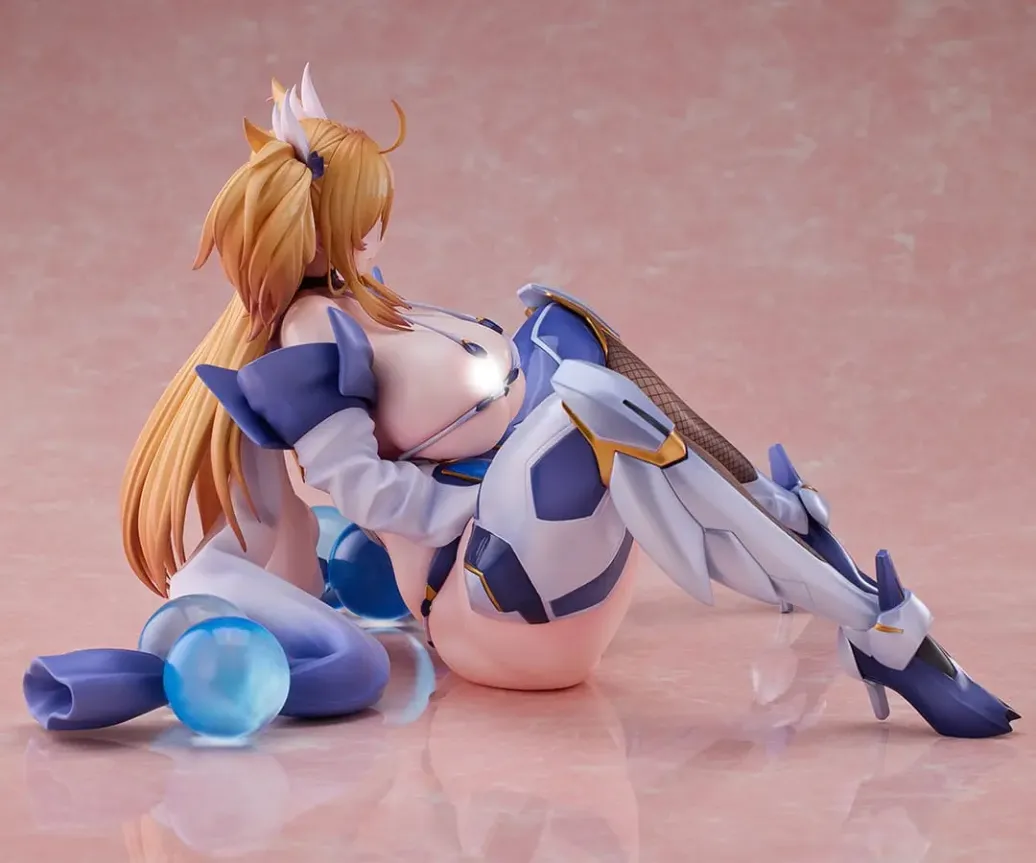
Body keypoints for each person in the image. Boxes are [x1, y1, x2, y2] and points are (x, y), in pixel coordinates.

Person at [25, 67, 1017, 739]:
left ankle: (772, 518)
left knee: (561, 326)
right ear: (318, 224)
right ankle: (869, 621)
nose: (378, 229)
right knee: (587, 400)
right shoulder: (307, 345)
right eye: (364, 215)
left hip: (538, 554)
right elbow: (366, 493)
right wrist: (487, 491)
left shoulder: (369, 302)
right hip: (490, 603)